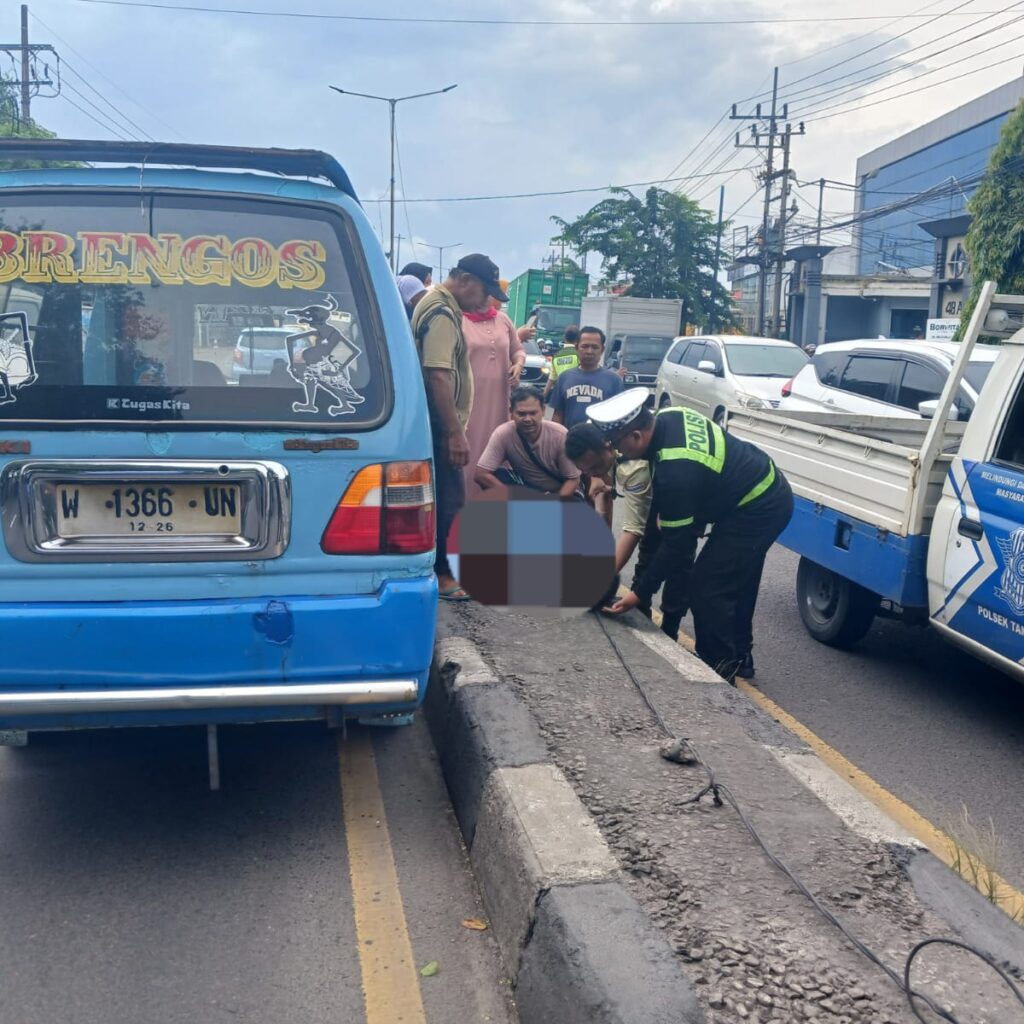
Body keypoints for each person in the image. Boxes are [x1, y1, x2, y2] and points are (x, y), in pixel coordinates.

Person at [595, 389, 793, 684]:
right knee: (739, 577)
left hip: (758, 507)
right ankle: (741, 657)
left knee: (707, 585)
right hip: (759, 487)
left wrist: (638, 593)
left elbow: (677, 545)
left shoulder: (676, 471)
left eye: (618, 445)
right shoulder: (668, 417)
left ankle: (719, 669)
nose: (619, 453)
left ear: (636, 436)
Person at [412, 253, 507, 602]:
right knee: (451, 498)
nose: (486, 300)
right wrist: (454, 432)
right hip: (440, 426)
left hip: (438, 423)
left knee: (445, 497)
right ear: (465, 280)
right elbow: (437, 374)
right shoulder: (440, 311)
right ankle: (445, 576)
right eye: (484, 291)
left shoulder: (443, 306)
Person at [564, 421, 689, 641]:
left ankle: (670, 625)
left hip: (684, 498)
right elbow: (598, 469)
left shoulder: (634, 469)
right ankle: (642, 608)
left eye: (595, 467)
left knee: (674, 560)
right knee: (648, 556)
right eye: (587, 470)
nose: (593, 473)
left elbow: (633, 529)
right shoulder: (594, 430)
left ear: (607, 446)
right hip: (657, 487)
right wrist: (598, 479)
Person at [463, 279, 526, 498]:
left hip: (500, 402)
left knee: (498, 451)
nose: (492, 299)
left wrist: (518, 364)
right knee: (469, 456)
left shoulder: (503, 321)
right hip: (469, 405)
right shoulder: (457, 320)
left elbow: (518, 350)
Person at [475, 386, 581, 498]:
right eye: (521, 414)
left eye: (533, 413)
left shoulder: (560, 435)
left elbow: (573, 479)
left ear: (543, 411)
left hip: (558, 491)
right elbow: (481, 474)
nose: (527, 419)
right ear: (511, 412)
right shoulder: (503, 433)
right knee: (498, 476)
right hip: (526, 491)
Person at [550, 326, 623, 429]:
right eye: (585, 346)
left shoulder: (614, 380)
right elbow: (558, 415)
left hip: (600, 443)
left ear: (602, 350)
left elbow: (619, 417)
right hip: (570, 442)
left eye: (595, 347)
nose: (589, 351)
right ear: (576, 348)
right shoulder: (564, 378)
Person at [544, 325, 580, 399]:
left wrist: (543, 397)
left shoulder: (556, 356)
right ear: (578, 338)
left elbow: (551, 379)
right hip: (576, 393)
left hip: (560, 394)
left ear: (564, 337)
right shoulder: (579, 355)